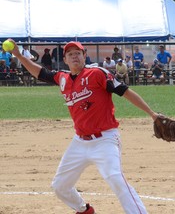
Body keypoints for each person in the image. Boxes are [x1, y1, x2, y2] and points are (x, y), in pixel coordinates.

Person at [7, 38, 159, 214]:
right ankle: (84, 210)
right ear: (65, 59)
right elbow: (39, 72)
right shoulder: (62, 78)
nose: (74, 57)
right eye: (70, 54)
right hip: (79, 142)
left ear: (84, 56)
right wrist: (18, 54)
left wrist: (152, 114)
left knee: (115, 178)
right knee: (59, 186)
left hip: (105, 139)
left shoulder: (96, 74)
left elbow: (125, 92)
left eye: (78, 53)